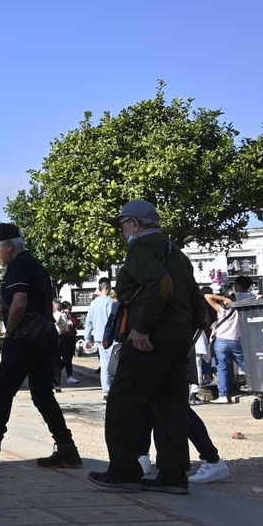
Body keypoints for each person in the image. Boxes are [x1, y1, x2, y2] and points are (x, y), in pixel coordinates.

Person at [89, 200, 203, 495]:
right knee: (170, 406)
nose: (121, 232)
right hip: (177, 338)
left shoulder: (141, 248)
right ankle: (173, 475)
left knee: (122, 403)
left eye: (123, 225)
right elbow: (194, 298)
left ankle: (124, 471)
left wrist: (142, 327)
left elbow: (160, 284)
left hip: (149, 339)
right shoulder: (176, 253)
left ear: (136, 224)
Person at [0, 223, 81, 469]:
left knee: (2, 390)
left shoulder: (18, 266)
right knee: (43, 395)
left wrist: (10, 332)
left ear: (9, 245)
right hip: (45, 337)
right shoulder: (35, 265)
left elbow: (20, 303)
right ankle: (67, 448)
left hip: (25, 338)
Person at [206, 275, 255, 404]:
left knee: (222, 368)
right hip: (237, 339)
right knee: (247, 366)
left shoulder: (223, 306)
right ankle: (259, 388)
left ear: (236, 285)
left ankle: (223, 395)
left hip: (221, 340)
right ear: (249, 286)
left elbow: (207, 296)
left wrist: (223, 298)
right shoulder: (251, 298)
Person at [82, 277, 116, 401]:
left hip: (99, 339)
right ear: (107, 287)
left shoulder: (93, 303)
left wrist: (86, 338)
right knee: (115, 366)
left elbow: (88, 322)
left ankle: (106, 392)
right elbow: (111, 321)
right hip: (110, 338)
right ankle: (114, 391)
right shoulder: (110, 302)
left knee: (105, 366)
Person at [54, 300, 78, 387]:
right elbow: (66, 327)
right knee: (59, 359)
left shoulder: (70, 315)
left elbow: (75, 323)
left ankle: (66, 377)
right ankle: (56, 380)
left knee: (67, 357)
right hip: (61, 338)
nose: (69, 310)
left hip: (68, 338)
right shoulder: (60, 315)